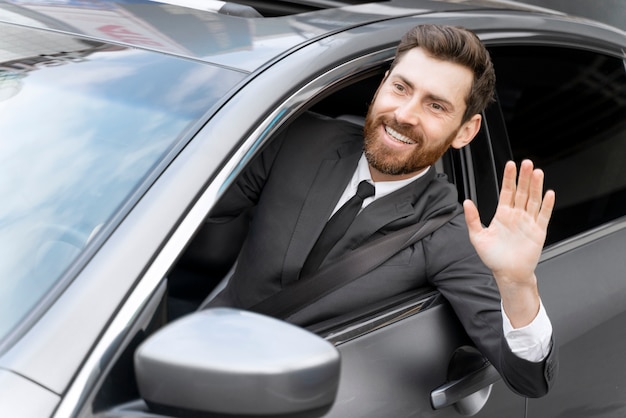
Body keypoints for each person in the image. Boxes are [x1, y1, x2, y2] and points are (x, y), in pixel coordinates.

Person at [205, 24, 557, 397]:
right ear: (382, 85)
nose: (405, 114)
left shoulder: (447, 231)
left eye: (435, 105)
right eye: (401, 88)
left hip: (292, 398)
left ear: (464, 132)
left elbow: (528, 379)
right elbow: (193, 216)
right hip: (201, 348)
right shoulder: (297, 138)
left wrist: (518, 285)